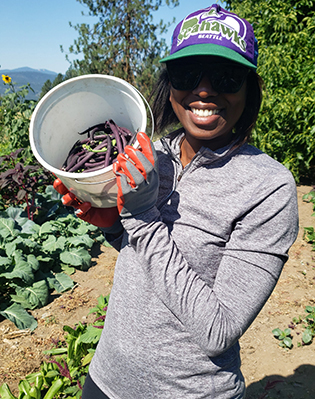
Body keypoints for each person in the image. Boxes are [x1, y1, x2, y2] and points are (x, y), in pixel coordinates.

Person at [54, 4, 299, 398]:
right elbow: (148, 263)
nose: (204, 89)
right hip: (107, 378)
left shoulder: (269, 188)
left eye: (226, 76)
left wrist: (142, 217)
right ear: (170, 86)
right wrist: (115, 226)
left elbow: (217, 330)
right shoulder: (149, 155)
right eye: (187, 74)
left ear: (249, 88)